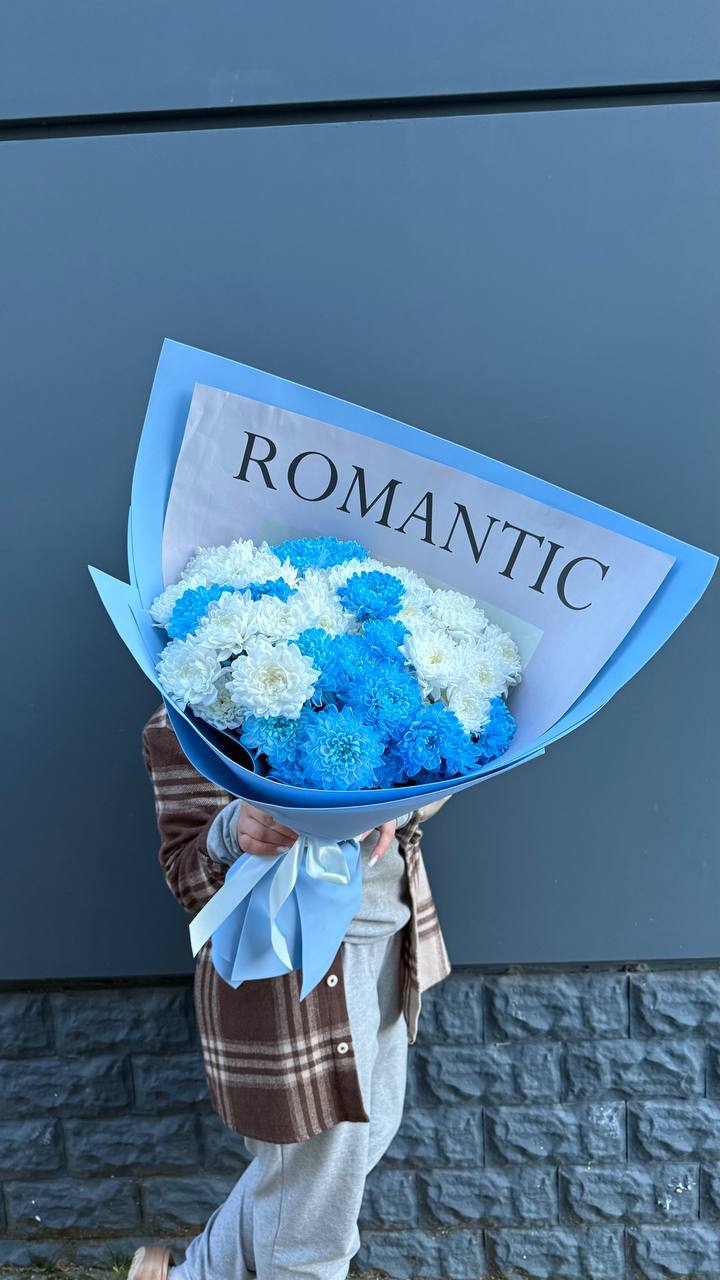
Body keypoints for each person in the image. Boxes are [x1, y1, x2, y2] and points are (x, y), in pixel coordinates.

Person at [129, 703, 451, 1280]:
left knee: (346, 1155)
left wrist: (395, 802)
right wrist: (232, 833)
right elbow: (187, 875)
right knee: (314, 1224)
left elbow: (452, 767)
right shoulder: (185, 721)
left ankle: (193, 1275)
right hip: (293, 974)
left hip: (388, 940)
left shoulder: (386, 674)